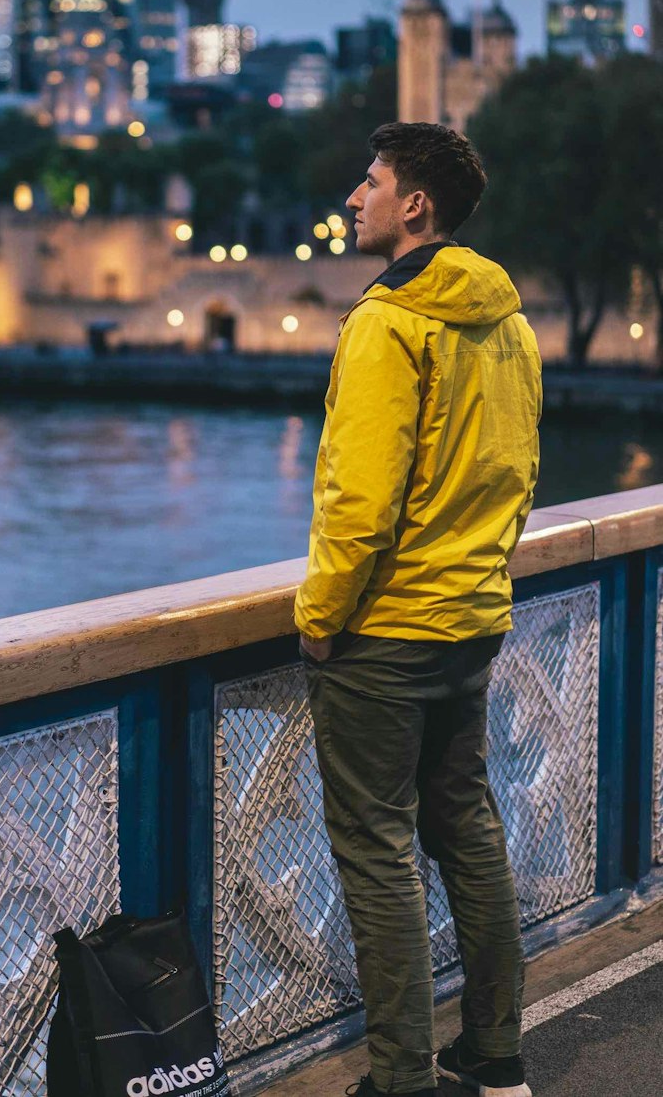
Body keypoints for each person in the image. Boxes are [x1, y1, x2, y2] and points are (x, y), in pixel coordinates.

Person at [295, 122, 541, 1097]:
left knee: (376, 846)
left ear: (414, 207)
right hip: (471, 617)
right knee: (466, 827)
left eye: (370, 183)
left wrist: (320, 616)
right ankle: (494, 1050)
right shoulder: (508, 321)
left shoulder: (387, 323)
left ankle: (398, 1078)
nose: (353, 198)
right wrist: (480, 571)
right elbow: (518, 471)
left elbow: (359, 502)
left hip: (386, 630)